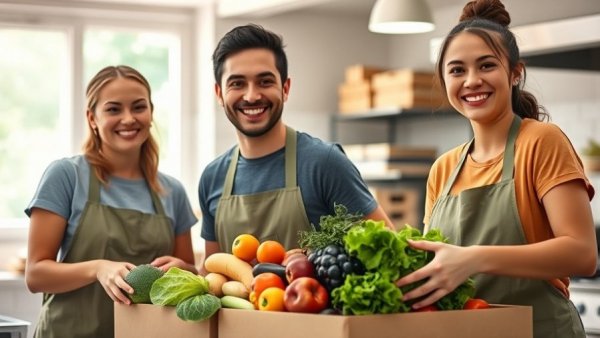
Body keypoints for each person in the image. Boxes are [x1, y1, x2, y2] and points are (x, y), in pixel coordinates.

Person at [395, 0, 597, 337]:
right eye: (457, 70)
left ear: (515, 72)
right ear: (444, 80)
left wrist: (474, 258)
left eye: (486, 66)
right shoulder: (443, 169)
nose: (472, 80)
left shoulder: (541, 142)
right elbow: (436, 265)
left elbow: (582, 253)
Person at [24, 65, 198, 338]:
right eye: (114, 109)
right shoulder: (66, 176)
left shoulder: (172, 191)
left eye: (138, 107)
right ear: (92, 118)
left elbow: (190, 271)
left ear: (151, 113)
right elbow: (35, 275)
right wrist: (98, 268)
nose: (128, 118)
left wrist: (183, 269)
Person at [198, 23, 394, 259]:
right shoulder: (212, 177)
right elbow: (212, 274)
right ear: (219, 94)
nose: (251, 96)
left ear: (285, 88)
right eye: (237, 83)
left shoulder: (324, 163)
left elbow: (387, 250)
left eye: (265, 81)